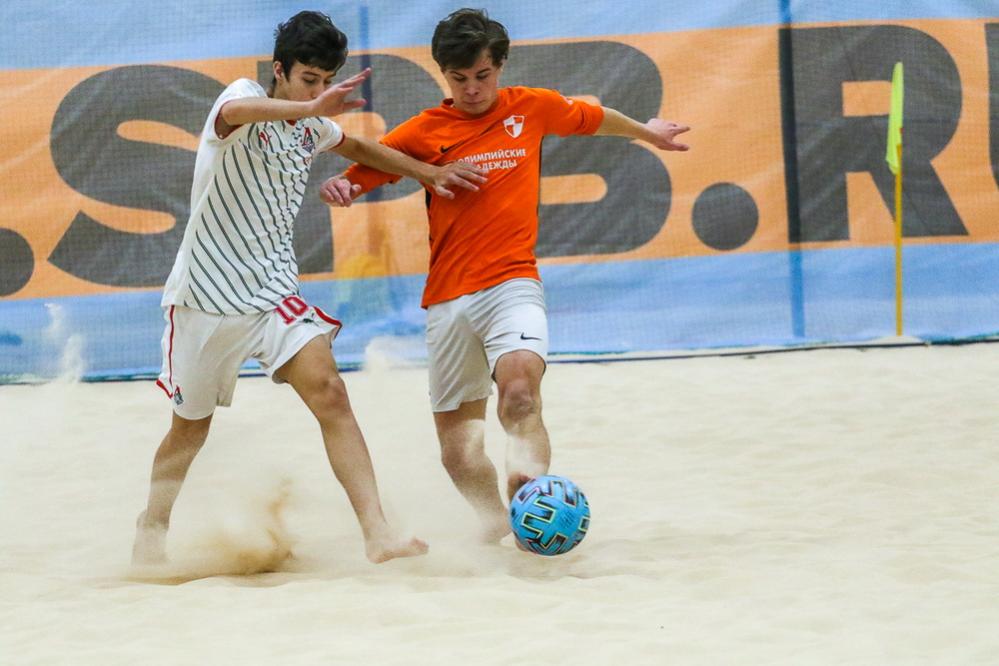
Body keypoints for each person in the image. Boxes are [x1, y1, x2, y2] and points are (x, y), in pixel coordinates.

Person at [320, 8, 690, 543]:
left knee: (519, 395)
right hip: (447, 299)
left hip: (512, 282)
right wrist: (344, 187)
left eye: (483, 75)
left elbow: (594, 116)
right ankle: (495, 524)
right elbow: (363, 171)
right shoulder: (424, 131)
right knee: (458, 452)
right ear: (445, 75)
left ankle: (529, 485)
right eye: (459, 78)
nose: (472, 89)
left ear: (500, 67)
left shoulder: (531, 107)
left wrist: (646, 132)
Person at [132, 10, 487, 565]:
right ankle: (152, 526)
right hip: (205, 296)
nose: (317, 90)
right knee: (189, 431)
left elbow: (362, 149)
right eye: (307, 78)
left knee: (330, 393)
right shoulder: (243, 98)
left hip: (274, 293)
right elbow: (235, 114)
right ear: (279, 70)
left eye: (325, 81)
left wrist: (429, 174)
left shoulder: (311, 127)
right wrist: (311, 107)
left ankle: (377, 533)